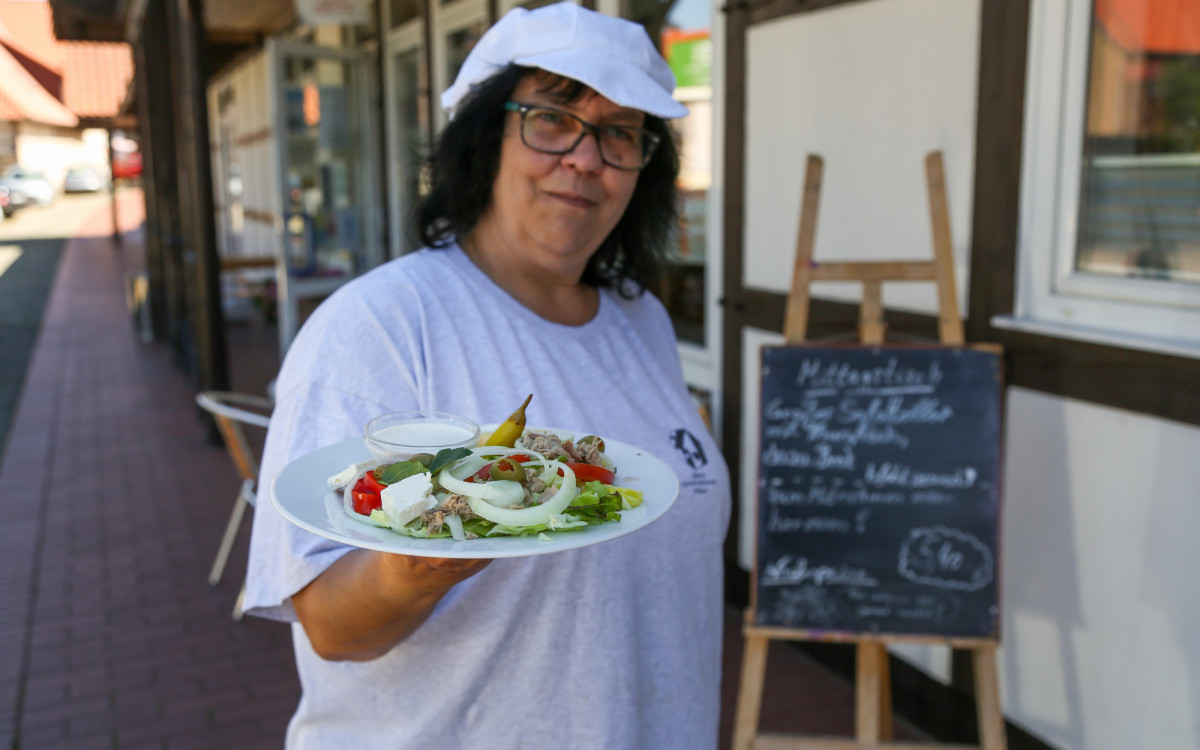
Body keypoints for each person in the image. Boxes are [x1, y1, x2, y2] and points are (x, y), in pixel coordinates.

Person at [244, 3, 731, 748]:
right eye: (552, 118)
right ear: (485, 137)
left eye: (621, 133)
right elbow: (327, 624)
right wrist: (413, 569)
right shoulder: (380, 324)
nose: (586, 157)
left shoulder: (643, 322)